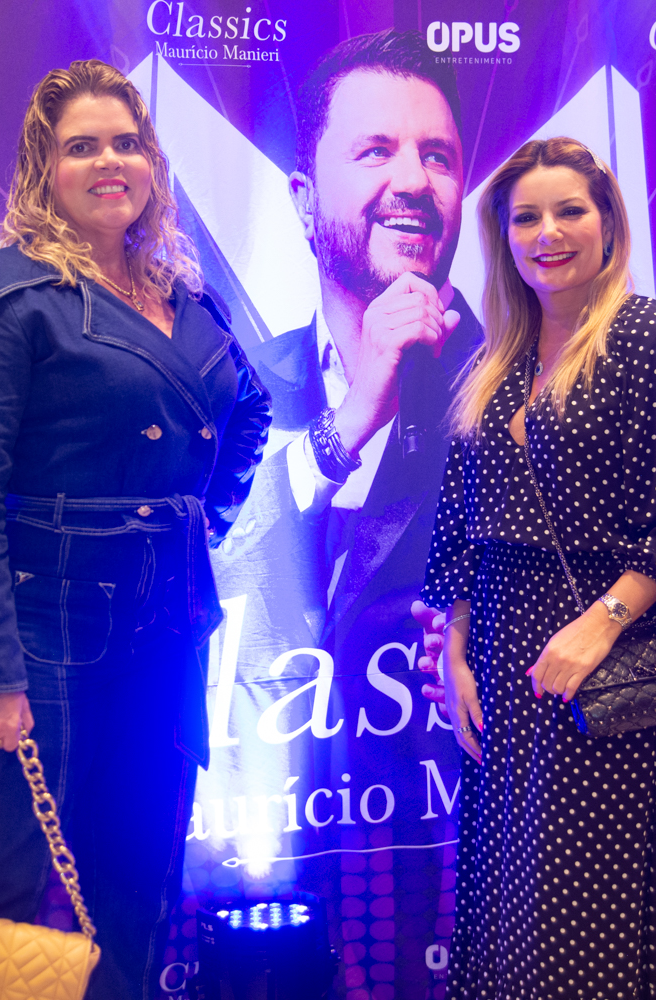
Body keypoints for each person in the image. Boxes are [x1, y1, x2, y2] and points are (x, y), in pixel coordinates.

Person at [0, 60, 271, 1000]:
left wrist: (198, 522)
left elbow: (252, 410)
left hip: (167, 636)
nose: (110, 162)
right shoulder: (1, 294)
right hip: (42, 638)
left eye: (127, 143)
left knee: (138, 891)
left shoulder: (187, 297)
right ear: (44, 168)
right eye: (82, 147)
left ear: (151, 163)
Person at [419, 136, 656, 998]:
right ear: (503, 236)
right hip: (506, 673)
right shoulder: (499, 358)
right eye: (526, 218)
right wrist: (456, 652)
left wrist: (599, 626)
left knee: (587, 920)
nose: (547, 233)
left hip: (608, 678)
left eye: (569, 211)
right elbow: (465, 523)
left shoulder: (648, 339)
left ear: (608, 224)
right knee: (510, 908)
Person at [213, 28, 481, 680]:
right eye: (376, 151)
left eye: (438, 156)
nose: (414, 180)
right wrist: (353, 419)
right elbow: (198, 558)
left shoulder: (516, 383)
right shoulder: (237, 379)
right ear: (304, 202)